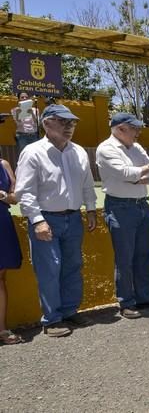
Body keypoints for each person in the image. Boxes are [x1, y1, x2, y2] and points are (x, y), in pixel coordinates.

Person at [14, 104, 97, 337]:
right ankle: (51, 319)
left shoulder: (78, 151)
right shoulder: (32, 152)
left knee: (73, 266)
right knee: (49, 269)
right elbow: (25, 192)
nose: (69, 127)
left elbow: (87, 184)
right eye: (63, 122)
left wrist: (91, 210)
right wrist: (37, 221)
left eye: (72, 123)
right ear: (47, 123)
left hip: (73, 218)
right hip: (46, 219)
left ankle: (70, 310)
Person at [96, 113, 149, 320]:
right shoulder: (106, 148)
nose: (138, 133)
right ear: (121, 129)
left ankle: (145, 297)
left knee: (144, 253)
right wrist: (143, 171)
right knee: (125, 257)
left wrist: (142, 173)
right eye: (134, 129)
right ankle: (126, 301)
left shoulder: (137, 147)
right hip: (120, 206)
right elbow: (126, 173)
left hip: (140, 204)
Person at [0, 154, 23, 344]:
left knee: (0, 276)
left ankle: (2, 328)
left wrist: (4, 195)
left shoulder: (4, 164)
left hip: (1, 221)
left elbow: (16, 198)